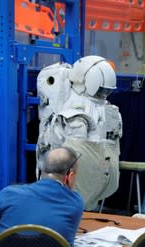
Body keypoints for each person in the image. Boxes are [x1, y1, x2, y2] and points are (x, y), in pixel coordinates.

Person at [36, 55, 122, 211]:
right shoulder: (73, 113)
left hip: (92, 179)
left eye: (106, 91)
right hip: (68, 183)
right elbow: (59, 150)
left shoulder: (105, 109)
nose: (103, 94)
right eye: (101, 89)